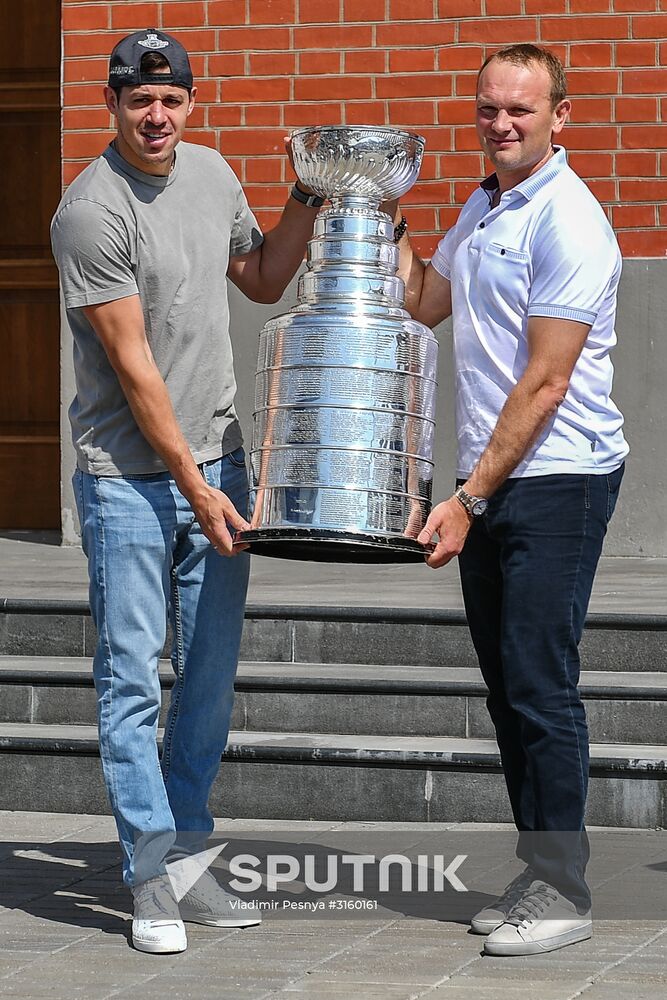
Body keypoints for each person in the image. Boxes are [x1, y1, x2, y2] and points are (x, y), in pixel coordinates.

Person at [50, 28, 325, 954]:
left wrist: (306, 195)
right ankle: (147, 877)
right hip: (128, 481)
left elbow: (260, 276)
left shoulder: (209, 174)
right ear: (114, 104)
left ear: (189, 102)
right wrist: (191, 487)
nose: (157, 116)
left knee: (204, 682)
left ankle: (188, 859)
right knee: (131, 681)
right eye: (139, 100)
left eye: (171, 100)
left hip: (221, 460)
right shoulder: (91, 211)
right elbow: (133, 367)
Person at [387, 44, 628, 956]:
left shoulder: (568, 218)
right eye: (489, 108)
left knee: (539, 683)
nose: (501, 124)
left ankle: (564, 891)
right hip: (496, 481)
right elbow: (422, 302)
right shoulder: (483, 204)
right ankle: (537, 869)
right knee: (505, 686)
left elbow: (546, 382)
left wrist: (465, 498)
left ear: (559, 116)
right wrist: (379, 210)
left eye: (521, 111)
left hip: (557, 478)